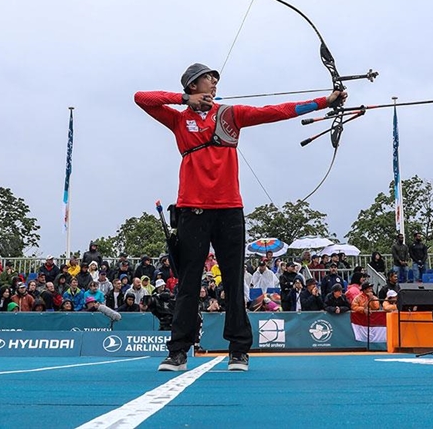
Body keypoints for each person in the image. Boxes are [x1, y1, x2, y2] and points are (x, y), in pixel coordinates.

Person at [135, 62, 346, 372]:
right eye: (208, 79)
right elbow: (141, 97)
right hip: (192, 210)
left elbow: (277, 110)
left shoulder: (230, 115)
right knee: (189, 282)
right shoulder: (179, 119)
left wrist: (324, 101)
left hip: (229, 210)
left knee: (234, 282)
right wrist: (183, 101)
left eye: (215, 79)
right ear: (193, 86)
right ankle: (179, 350)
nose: (214, 83)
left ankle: (238, 350)